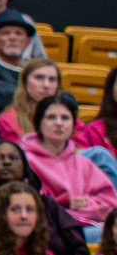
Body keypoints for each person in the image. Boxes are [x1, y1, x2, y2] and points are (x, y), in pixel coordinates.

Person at [21, 95, 116, 228]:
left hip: (82, 225)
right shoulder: (23, 159)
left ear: (73, 125)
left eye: (65, 118)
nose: (59, 123)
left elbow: (110, 202)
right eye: (51, 117)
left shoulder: (82, 163)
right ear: (38, 123)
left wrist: (88, 203)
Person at [0, 8, 37, 113]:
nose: (12, 38)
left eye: (18, 33)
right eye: (5, 33)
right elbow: (9, 100)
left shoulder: (35, 72)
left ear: (28, 41)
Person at [0, 57, 62, 143]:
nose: (46, 85)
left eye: (52, 79)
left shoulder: (66, 118)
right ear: (25, 82)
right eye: (39, 78)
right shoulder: (8, 121)